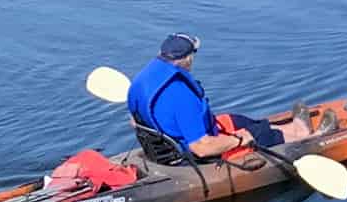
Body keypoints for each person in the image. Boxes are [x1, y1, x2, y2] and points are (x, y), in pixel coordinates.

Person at [123, 33, 313, 163]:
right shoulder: (181, 95)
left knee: (241, 121)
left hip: (164, 145)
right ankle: (308, 138)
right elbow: (201, 148)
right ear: (188, 59)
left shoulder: (140, 81)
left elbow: (134, 121)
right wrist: (241, 139)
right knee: (258, 134)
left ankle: (294, 128)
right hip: (191, 156)